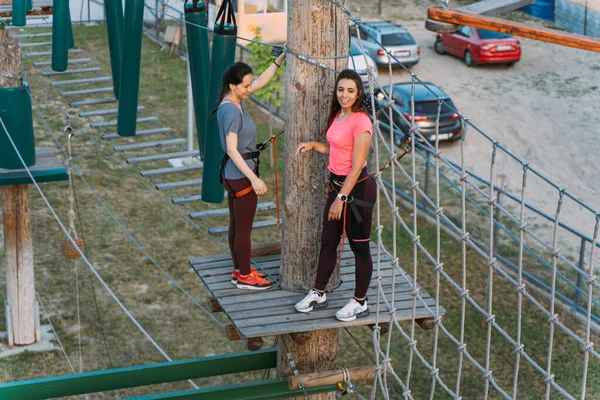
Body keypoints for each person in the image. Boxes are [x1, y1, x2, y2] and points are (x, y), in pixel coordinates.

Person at [294, 69, 376, 321]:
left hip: (357, 191)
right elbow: (339, 150)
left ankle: (360, 301)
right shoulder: (339, 115)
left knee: (358, 247)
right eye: (341, 90)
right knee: (328, 242)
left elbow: (356, 165)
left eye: (350, 90)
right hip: (336, 185)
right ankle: (319, 292)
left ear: (359, 93)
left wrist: (341, 199)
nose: (344, 95)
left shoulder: (361, 121)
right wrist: (316, 146)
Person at [214, 53, 285, 290]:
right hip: (240, 175)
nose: (249, 89)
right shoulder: (232, 111)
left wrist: (281, 57)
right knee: (243, 230)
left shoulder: (233, 101)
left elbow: (262, 81)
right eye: (245, 86)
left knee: (236, 226)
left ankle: (239, 270)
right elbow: (233, 150)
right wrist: (254, 178)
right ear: (233, 86)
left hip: (233, 174)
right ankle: (245, 276)